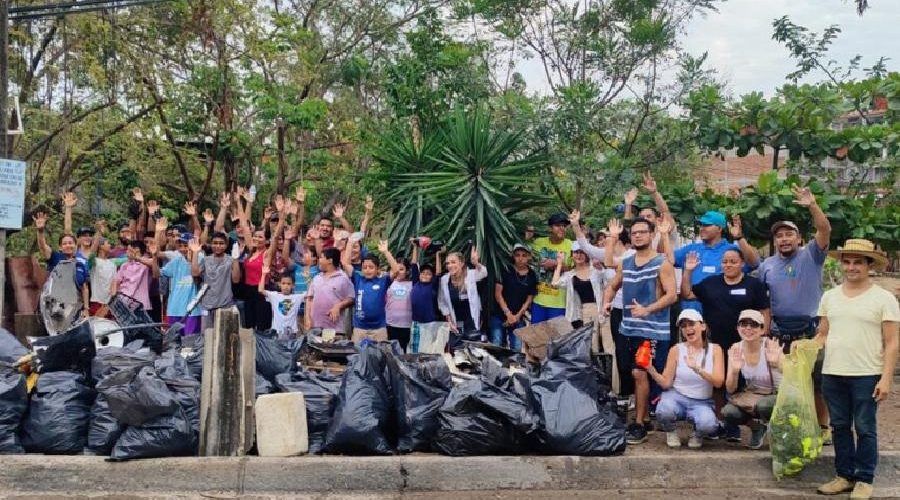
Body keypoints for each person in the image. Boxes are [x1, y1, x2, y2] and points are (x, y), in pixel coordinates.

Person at [814, 239, 898, 499]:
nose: (851, 267)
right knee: (839, 426)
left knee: (864, 427)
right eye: (847, 262)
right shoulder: (830, 296)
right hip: (833, 372)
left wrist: (886, 378)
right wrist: (802, 349)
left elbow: (893, 342)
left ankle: (864, 478)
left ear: (869, 265)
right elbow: (823, 334)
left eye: (858, 262)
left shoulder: (883, 298)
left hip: (866, 373)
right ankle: (844, 475)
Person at [759, 185, 833, 438]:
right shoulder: (767, 265)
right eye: (779, 236)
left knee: (816, 382)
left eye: (789, 234)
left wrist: (812, 205)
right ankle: (793, 428)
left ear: (799, 238)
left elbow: (825, 230)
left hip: (811, 330)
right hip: (780, 331)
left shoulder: (812, 255)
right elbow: (763, 299)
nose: (784, 239)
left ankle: (823, 428)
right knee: (786, 382)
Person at [602, 217, 677, 445]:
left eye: (642, 232)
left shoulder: (662, 263)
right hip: (628, 329)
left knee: (640, 373)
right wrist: (606, 302)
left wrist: (648, 310)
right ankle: (644, 420)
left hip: (652, 330)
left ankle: (638, 423)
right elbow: (613, 285)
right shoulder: (626, 262)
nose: (637, 236)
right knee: (629, 371)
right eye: (634, 233)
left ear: (652, 234)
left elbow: (672, 295)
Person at [647, 309, 725, 449]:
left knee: (708, 424)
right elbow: (666, 383)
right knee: (664, 409)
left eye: (691, 324)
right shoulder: (676, 349)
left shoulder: (715, 349)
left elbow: (719, 382)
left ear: (702, 326)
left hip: (702, 401)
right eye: (683, 326)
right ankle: (670, 431)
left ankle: (698, 433)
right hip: (677, 396)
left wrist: (698, 369)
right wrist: (651, 370)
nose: (687, 328)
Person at [682, 248, 770, 359]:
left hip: (746, 340)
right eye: (725, 262)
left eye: (733, 262)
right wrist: (688, 271)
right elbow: (687, 294)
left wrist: (763, 334)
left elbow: (765, 311)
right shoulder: (710, 283)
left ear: (742, 263)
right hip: (715, 342)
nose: (728, 265)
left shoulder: (753, 284)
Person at [672, 211, 760, 312]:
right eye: (701, 225)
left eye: (707, 225)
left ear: (719, 228)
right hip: (692, 315)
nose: (702, 228)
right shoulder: (691, 249)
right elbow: (667, 259)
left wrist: (739, 238)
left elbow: (754, 263)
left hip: (720, 314)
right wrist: (664, 234)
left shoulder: (731, 250)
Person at [722, 310, 783, 450]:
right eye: (743, 324)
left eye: (754, 324)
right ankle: (757, 427)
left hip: (778, 394)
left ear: (762, 329)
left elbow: (792, 376)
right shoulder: (736, 348)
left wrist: (777, 363)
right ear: (738, 328)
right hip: (754, 394)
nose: (748, 328)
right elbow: (730, 388)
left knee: (764, 405)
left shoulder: (771, 345)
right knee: (729, 412)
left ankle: (780, 429)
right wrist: (735, 372)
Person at [551, 242, 607, 353]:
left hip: (599, 309)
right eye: (576, 252)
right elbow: (555, 283)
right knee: (586, 345)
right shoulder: (570, 274)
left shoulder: (595, 270)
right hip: (579, 312)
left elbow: (606, 280)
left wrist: (601, 268)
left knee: (599, 344)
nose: (579, 255)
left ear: (587, 254)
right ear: (572, 255)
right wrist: (559, 264)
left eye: (582, 252)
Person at [33, 211, 90, 320]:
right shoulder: (55, 258)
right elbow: (43, 247)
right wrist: (40, 231)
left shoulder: (82, 262)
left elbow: (84, 287)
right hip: (55, 306)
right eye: (64, 243)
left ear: (75, 245)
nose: (68, 245)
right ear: (60, 247)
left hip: (76, 306)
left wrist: (86, 309)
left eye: (70, 243)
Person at [191, 231, 242, 333]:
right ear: (211, 244)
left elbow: (236, 280)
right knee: (206, 337)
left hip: (225, 305)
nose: (218, 246)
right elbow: (195, 273)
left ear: (226, 245)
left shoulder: (230, 260)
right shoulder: (206, 260)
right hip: (207, 305)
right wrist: (195, 253)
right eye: (215, 243)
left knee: (225, 338)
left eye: (221, 243)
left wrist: (236, 259)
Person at [438, 247, 487, 353]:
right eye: (448, 263)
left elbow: (484, 273)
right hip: (455, 323)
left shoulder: (470, 275)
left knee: (473, 352)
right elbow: (442, 302)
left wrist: (476, 263)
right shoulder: (444, 280)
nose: (450, 265)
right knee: (456, 353)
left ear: (461, 263)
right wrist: (449, 321)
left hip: (471, 321)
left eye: (453, 262)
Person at [155, 227, 202, 336]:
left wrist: (193, 255)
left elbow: (196, 273)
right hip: (174, 308)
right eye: (180, 246)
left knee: (190, 342)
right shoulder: (176, 260)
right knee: (174, 342)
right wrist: (158, 233)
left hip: (192, 310)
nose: (182, 249)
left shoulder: (200, 258)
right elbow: (158, 273)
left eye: (186, 245)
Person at [342, 241, 391, 345]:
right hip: (359, 328)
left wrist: (386, 252)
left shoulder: (383, 281)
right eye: (365, 267)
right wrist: (350, 242)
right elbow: (346, 264)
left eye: (371, 267)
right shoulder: (358, 279)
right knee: (357, 357)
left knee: (380, 356)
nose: (368, 270)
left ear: (377, 269)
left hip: (379, 329)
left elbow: (395, 270)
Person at [491, 244, 537, 351]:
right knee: (496, 346)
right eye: (517, 255)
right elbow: (498, 294)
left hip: (518, 317)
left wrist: (517, 316)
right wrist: (508, 314)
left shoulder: (532, 275)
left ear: (529, 257)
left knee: (516, 349)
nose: (520, 259)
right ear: (513, 256)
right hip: (499, 314)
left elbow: (529, 298)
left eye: (524, 255)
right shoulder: (506, 270)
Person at [531, 212, 573, 323]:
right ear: (550, 228)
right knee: (537, 337)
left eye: (564, 226)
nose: (562, 228)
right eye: (558, 225)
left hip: (559, 302)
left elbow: (574, 269)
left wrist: (555, 263)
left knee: (557, 338)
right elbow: (530, 260)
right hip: (538, 299)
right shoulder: (538, 242)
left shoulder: (570, 245)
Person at [304, 247, 355, 336]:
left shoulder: (343, 278)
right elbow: (309, 298)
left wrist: (338, 306)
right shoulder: (317, 278)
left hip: (335, 329)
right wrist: (307, 318)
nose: (319, 260)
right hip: (315, 327)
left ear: (330, 260)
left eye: (321, 257)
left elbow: (351, 298)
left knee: (331, 349)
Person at [381, 241, 414, 351]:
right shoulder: (389, 282)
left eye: (402, 269)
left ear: (407, 271)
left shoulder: (411, 284)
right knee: (390, 351)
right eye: (396, 269)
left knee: (403, 351)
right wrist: (386, 251)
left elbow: (415, 266)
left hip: (406, 325)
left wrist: (415, 247)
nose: (398, 272)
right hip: (390, 323)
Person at [410, 249, 444, 354]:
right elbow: (414, 264)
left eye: (428, 274)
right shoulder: (416, 282)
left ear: (432, 277)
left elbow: (438, 272)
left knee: (428, 350)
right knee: (415, 349)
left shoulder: (433, 286)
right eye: (423, 273)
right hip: (416, 322)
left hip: (430, 323)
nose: (424, 275)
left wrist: (438, 255)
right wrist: (415, 246)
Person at [258, 264, 306, 340]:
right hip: (277, 331)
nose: (286, 286)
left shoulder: (297, 297)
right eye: (283, 283)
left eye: (288, 284)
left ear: (293, 285)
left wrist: (308, 278)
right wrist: (263, 274)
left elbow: (310, 293)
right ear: (279, 284)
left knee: (289, 351)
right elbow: (260, 290)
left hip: (292, 332)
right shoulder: (274, 295)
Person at [110, 240, 156, 313]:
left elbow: (154, 264)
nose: (126, 252)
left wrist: (137, 258)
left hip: (140, 305)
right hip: (124, 303)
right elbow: (116, 281)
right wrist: (113, 297)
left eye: (129, 250)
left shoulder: (146, 264)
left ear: (137, 250)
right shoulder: (124, 265)